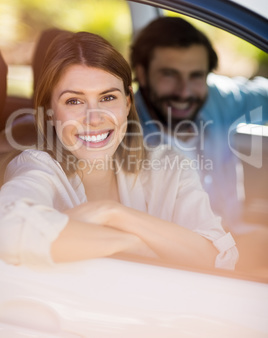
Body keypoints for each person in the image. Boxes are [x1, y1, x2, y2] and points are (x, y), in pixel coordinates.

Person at [0, 31, 238, 271]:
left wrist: (112, 213)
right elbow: (10, 230)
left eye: (107, 98)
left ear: (127, 103)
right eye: (74, 101)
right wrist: (134, 243)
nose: (94, 119)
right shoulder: (37, 166)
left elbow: (216, 258)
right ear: (50, 112)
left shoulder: (168, 166)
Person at [130, 16, 268, 234]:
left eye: (196, 76)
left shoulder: (220, 98)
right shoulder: (121, 131)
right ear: (142, 74)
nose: (184, 92)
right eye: (169, 75)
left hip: (234, 236)